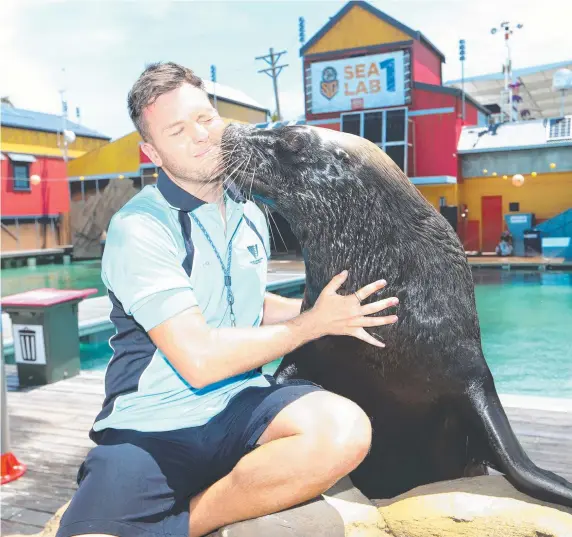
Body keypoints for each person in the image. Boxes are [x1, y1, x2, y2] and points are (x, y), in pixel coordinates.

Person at [56, 62, 399, 537]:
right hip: (154, 423)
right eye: (177, 130)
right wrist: (311, 326)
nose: (201, 136)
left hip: (242, 402)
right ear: (151, 152)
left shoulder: (248, 210)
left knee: (345, 431)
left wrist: (329, 312)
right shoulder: (140, 228)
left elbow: (249, 306)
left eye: (206, 118)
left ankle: (192, 524)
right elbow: (198, 360)